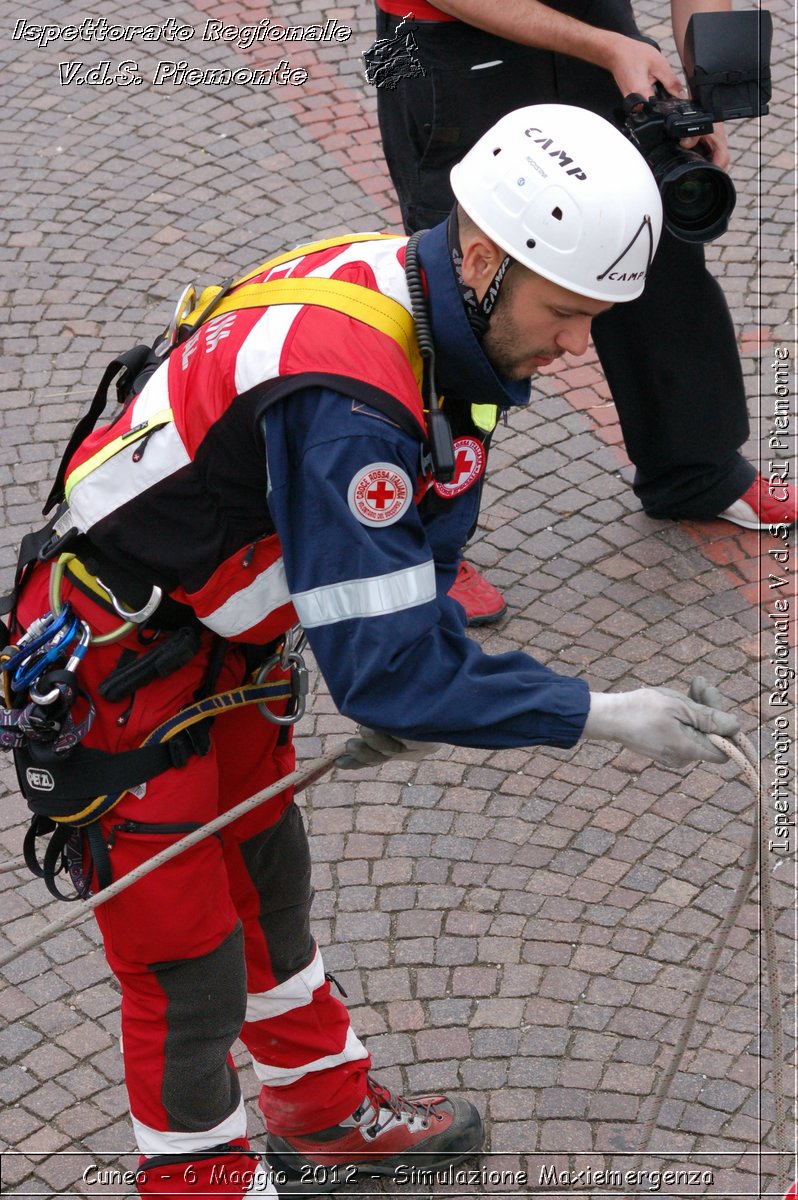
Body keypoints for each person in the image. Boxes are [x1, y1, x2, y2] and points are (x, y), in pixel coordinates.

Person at [5, 106, 740, 1198]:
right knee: (185, 959)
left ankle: (323, 1114)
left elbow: (413, 543)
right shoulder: (353, 395)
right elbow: (387, 666)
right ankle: (198, 1182)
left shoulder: (417, 294)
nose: (578, 346)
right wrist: (599, 711)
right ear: (487, 258)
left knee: (269, 881)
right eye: (568, 313)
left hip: (214, 644)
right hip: (117, 663)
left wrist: (424, 647)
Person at [371, 0, 797, 624]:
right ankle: (424, 542)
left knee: (656, 238)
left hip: (601, 33)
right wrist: (603, 46)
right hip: (447, 41)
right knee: (472, 287)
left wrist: (704, 92)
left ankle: (696, 470)